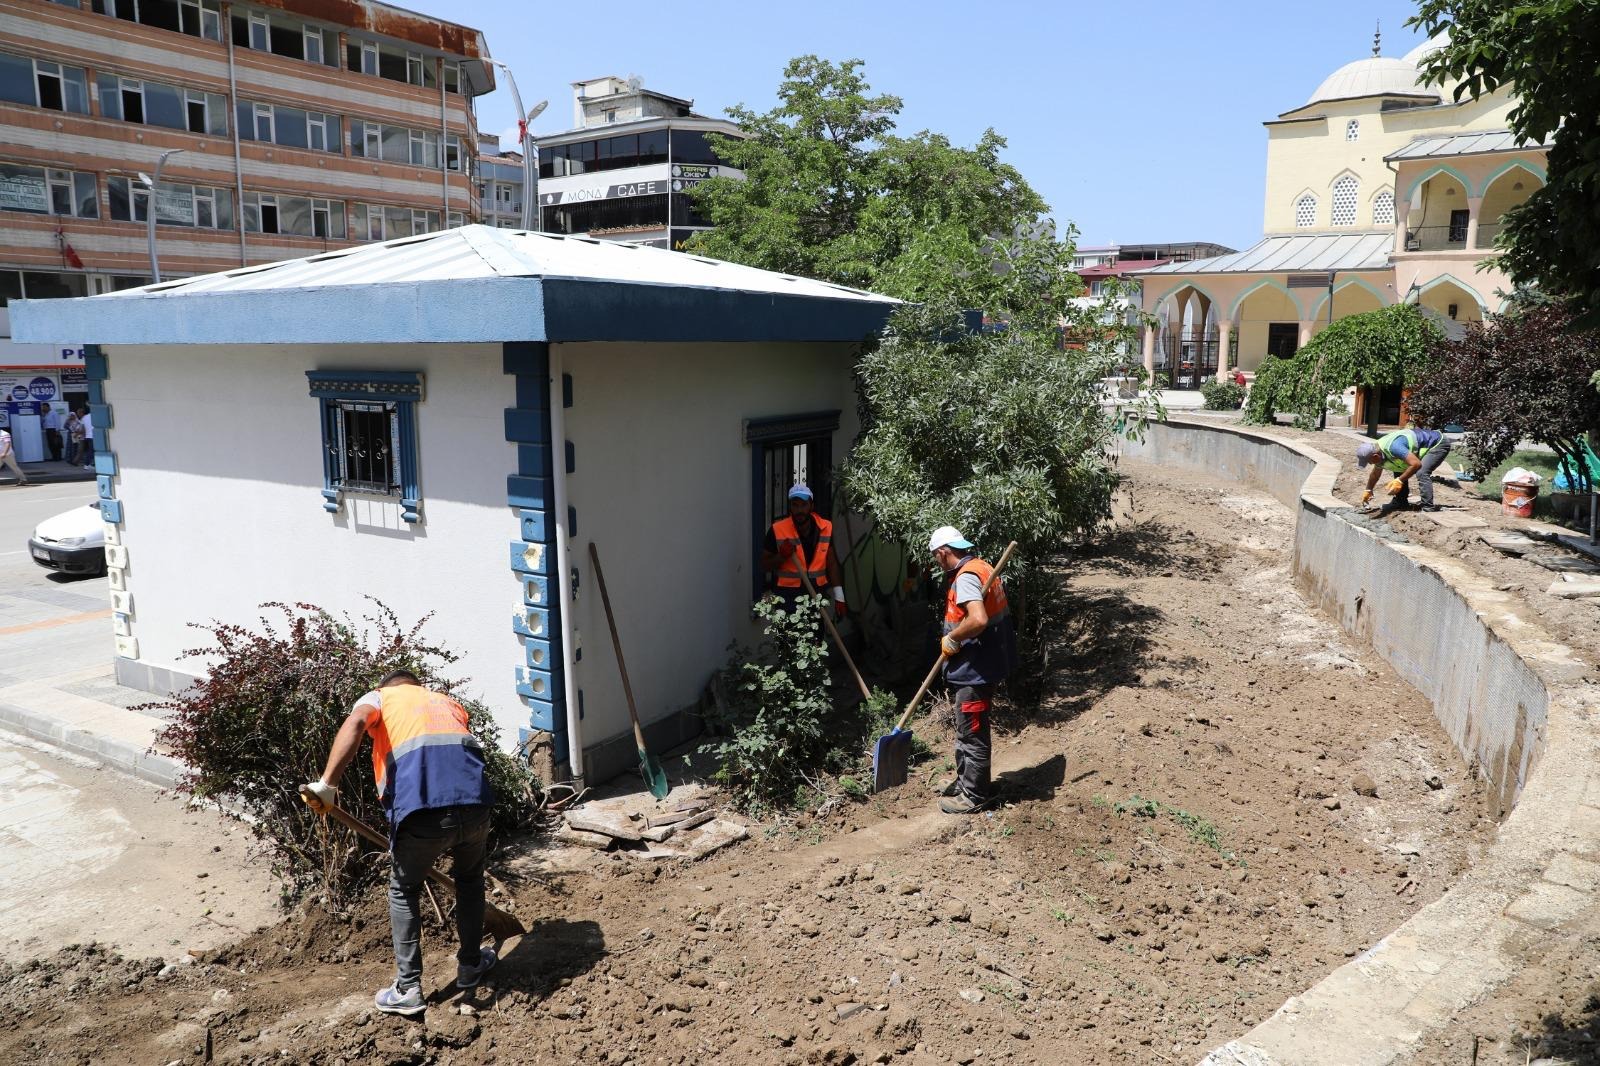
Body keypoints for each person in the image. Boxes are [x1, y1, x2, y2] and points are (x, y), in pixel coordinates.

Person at [303, 669, 497, 1016]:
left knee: (405, 889)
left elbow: (357, 724)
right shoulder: (445, 701)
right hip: (477, 805)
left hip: (422, 809)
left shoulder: (379, 698)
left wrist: (327, 784)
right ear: (416, 686)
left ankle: (408, 988)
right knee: (470, 881)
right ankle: (471, 965)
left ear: (385, 686)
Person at [929, 526, 1016, 815]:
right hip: (986, 662)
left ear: (944, 552)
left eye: (935, 557)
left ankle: (974, 795)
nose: (936, 563)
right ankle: (967, 779)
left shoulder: (966, 578)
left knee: (972, 732)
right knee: (969, 728)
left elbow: (977, 619)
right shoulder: (981, 566)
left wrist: (953, 638)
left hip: (975, 668)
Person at [761, 484, 846, 618]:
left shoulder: (825, 527)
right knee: (790, 638)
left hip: (816, 596)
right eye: (795, 505)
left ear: (811, 506)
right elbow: (764, 565)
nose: (799, 510)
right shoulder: (777, 530)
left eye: (804, 505)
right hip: (788, 599)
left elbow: (832, 563)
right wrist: (781, 556)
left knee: (815, 638)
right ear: (790, 507)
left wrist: (839, 595)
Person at [1356, 427, 1452, 513]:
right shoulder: (1379, 454)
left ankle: (1428, 507)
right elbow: (1375, 474)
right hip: (1421, 446)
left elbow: (1416, 464)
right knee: (1397, 466)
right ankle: (1401, 502)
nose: (1370, 464)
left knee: (1422, 472)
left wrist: (1399, 480)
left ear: (1375, 455)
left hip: (1437, 443)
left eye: (1369, 461)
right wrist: (1368, 489)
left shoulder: (1394, 448)